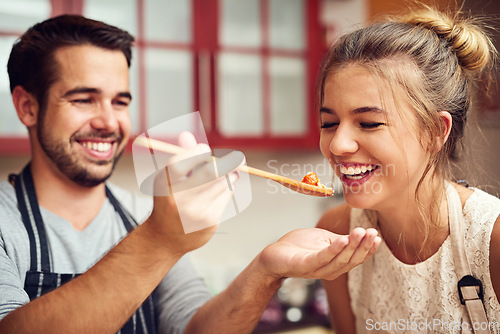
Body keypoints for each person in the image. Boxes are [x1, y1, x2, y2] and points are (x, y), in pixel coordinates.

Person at [0, 14, 381, 333]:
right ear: (27, 107)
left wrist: (267, 270)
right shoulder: (8, 223)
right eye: (83, 99)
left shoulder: (143, 211)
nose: (108, 121)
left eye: (120, 102)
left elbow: (194, 329)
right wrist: (159, 240)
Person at [315, 4, 500, 333]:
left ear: (434, 131)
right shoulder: (337, 230)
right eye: (329, 122)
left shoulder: (492, 241)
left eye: (369, 123)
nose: (337, 145)